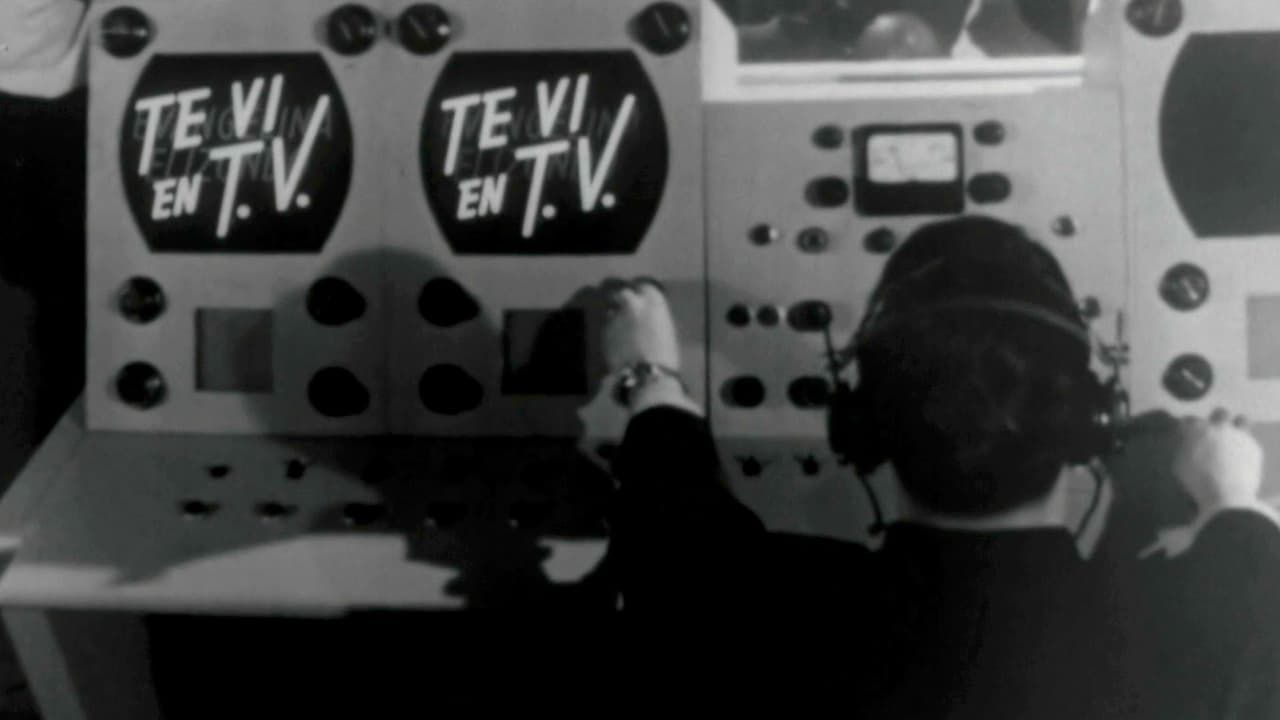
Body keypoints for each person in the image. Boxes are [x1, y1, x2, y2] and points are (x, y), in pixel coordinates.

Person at [600, 216, 1280, 718]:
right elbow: (1248, 602)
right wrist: (1231, 500)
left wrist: (648, 375)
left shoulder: (770, 608)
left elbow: (674, 541)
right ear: (1088, 422)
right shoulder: (1192, 627)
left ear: (861, 426)